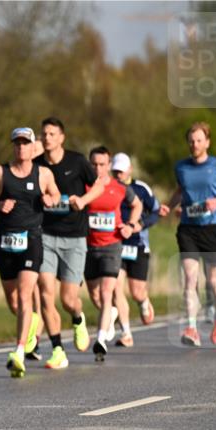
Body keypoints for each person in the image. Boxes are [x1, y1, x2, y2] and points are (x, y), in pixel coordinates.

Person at [0, 127, 61, 377]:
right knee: (14, 301)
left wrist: (51, 200)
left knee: (26, 295)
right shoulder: (0, 172)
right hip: (5, 241)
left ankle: (18, 351)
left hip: (32, 238)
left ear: (32, 147)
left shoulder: (43, 173)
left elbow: (55, 193)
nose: (21, 147)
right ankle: (32, 322)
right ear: (13, 146)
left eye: (25, 143)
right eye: (17, 143)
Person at [34, 117, 106, 369]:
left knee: (68, 299)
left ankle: (77, 317)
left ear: (61, 137)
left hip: (75, 237)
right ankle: (57, 350)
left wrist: (84, 200)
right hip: (46, 235)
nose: (47, 138)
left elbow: (100, 184)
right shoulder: (37, 165)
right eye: (44, 134)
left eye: (52, 134)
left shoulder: (76, 161)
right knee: (45, 291)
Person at [159, 121, 216, 346]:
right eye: (191, 141)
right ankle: (192, 328)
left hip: (211, 228)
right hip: (188, 228)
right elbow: (180, 191)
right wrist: (169, 206)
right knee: (190, 278)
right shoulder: (181, 167)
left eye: (199, 140)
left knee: (213, 281)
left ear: (207, 142)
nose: (194, 144)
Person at [84, 146, 141, 362]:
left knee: (107, 292)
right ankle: (111, 316)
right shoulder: (86, 186)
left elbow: (137, 205)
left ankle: (100, 340)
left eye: (102, 164)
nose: (98, 168)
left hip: (112, 246)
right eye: (94, 164)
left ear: (109, 165)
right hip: (89, 247)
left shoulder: (119, 188)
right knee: (95, 295)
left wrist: (131, 224)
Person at [110, 153, 162, 347]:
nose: (118, 175)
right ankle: (126, 333)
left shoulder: (141, 189)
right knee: (116, 288)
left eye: (121, 172)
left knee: (136, 292)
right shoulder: (108, 188)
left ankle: (143, 302)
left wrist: (141, 224)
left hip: (138, 244)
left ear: (129, 170)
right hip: (116, 245)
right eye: (115, 171)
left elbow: (156, 212)